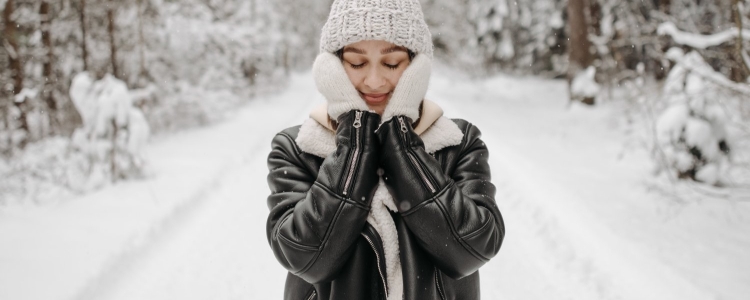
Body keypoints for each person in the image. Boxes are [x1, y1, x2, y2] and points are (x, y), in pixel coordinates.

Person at [265, 0, 505, 299]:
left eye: (392, 63)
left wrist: (402, 145)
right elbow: (305, 258)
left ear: (417, 65)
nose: (375, 81)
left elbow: (472, 250)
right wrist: (355, 144)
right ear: (333, 67)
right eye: (356, 63)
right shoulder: (297, 148)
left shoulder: (458, 142)